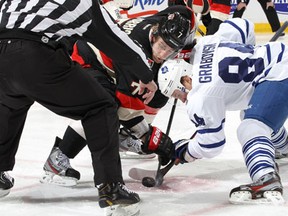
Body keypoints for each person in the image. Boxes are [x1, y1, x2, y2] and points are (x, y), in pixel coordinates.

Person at [0, 0, 159, 214]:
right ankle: (111, 189)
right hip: (35, 54)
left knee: (10, 103)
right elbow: (113, 39)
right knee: (101, 106)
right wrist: (146, 76)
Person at [40, 4, 196, 187]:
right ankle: (59, 157)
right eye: (162, 46)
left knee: (160, 91)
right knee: (103, 105)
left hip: (114, 62)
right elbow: (126, 109)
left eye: (170, 51)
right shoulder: (138, 55)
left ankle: (125, 137)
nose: (163, 54)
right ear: (154, 36)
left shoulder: (161, 24)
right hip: (88, 59)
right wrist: (151, 138)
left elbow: (186, 12)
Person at [155, 18, 288, 204]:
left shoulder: (200, 97)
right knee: (251, 112)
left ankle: (266, 178)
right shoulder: (206, 43)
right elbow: (243, 25)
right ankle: (284, 146)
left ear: (185, 76)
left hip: (280, 73)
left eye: (178, 92)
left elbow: (212, 144)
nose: (182, 98)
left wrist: (184, 151)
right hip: (280, 55)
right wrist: (248, 58)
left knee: (251, 128)